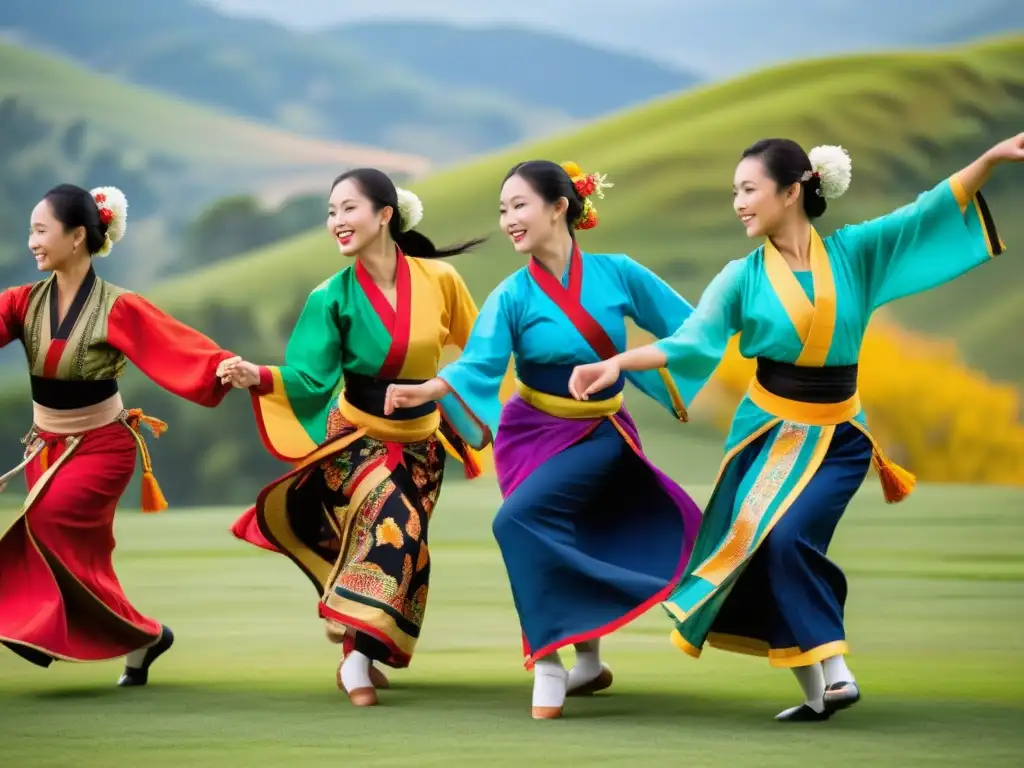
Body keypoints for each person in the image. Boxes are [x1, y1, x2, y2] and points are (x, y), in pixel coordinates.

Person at [568, 133, 1021, 721]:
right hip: (767, 433)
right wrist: (616, 363)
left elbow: (925, 213)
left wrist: (986, 160)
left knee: (787, 539)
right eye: (735, 191)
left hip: (838, 436)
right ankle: (818, 693)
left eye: (749, 190)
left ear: (791, 192)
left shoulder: (855, 253)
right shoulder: (741, 276)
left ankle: (835, 670)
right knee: (760, 550)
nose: (739, 203)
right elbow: (692, 341)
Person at [382, 160, 704, 720]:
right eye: (503, 209)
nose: (508, 219)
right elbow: (480, 362)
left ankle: (548, 661)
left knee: (517, 522)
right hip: (528, 432)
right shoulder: (512, 294)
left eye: (519, 205)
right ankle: (587, 663)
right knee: (559, 535)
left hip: (600, 430)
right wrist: (428, 389)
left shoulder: (619, 274)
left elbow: (695, 328)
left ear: (560, 207)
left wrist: (633, 365)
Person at [219, 168, 487, 707]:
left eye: (348, 209)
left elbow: (481, 353)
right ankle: (358, 664)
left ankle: (355, 647)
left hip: (425, 443)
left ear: (385, 215)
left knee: (403, 547)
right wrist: (260, 376)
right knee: (396, 526)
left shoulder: (441, 281)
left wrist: (451, 390)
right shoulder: (331, 296)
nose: (335, 222)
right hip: (355, 439)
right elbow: (311, 375)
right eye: (331, 212)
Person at [0, 184, 240, 686]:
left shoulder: (117, 307)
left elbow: (172, 343)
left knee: (45, 525)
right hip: (46, 448)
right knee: (75, 562)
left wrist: (221, 367)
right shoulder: (22, 303)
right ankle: (146, 638)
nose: (32, 242)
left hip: (100, 448)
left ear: (77, 236)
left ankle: (36, 623)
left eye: (40, 230)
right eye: (30, 232)